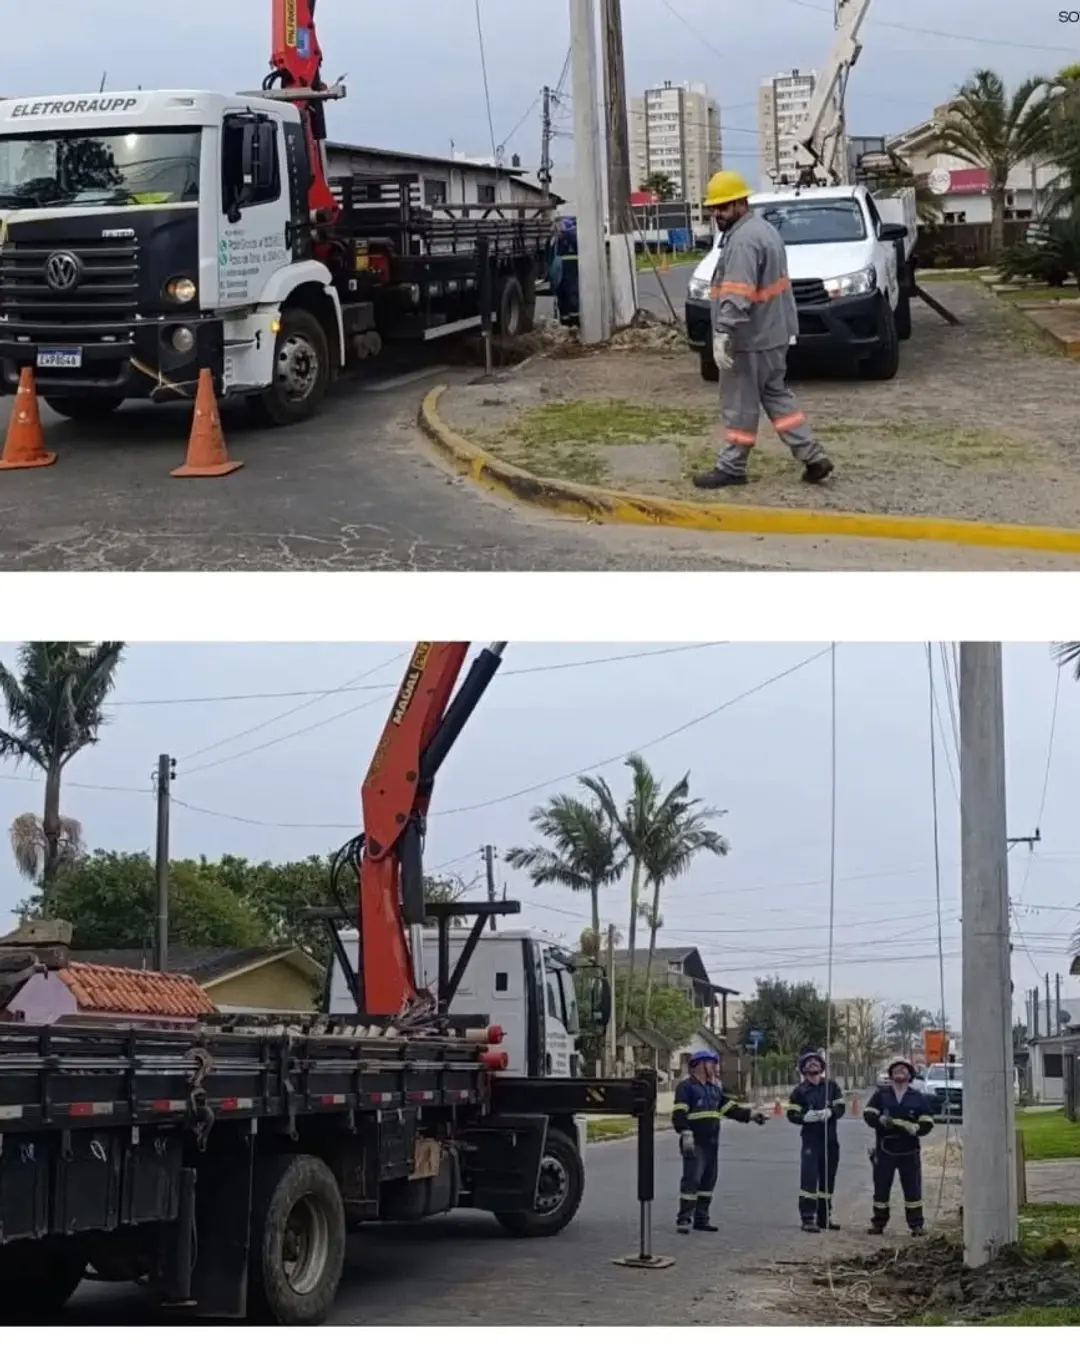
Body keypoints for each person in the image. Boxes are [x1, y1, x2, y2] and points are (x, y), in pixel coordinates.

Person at [691, 169, 834, 492]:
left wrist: (724, 332)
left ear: (741, 203)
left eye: (723, 207)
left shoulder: (743, 241)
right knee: (776, 396)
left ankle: (732, 466)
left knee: (739, 403)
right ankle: (813, 457)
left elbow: (738, 293)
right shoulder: (763, 230)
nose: (717, 214)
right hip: (773, 334)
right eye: (714, 208)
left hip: (749, 338)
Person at [672, 1048, 768, 1233]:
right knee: (692, 1180)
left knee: (708, 1181)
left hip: (711, 1143)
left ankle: (702, 1219)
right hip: (694, 1142)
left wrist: (752, 1115)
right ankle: (684, 1218)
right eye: (712, 1063)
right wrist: (685, 1133)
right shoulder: (686, 1087)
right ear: (700, 1064)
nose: (716, 1067)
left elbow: (730, 1109)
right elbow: (679, 1113)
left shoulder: (714, 1088)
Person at [864, 1058, 934, 1236]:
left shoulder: (917, 1097)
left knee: (912, 1189)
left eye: (904, 1069)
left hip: (909, 1150)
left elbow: (928, 1120)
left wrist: (918, 1128)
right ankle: (878, 1223)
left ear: (910, 1075)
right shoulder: (881, 1094)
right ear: (891, 1075)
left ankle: (916, 1225)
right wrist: (878, 1119)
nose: (900, 1071)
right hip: (884, 1149)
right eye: (896, 1069)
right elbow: (868, 1113)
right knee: (881, 1188)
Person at [785, 1048, 845, 1233]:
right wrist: (805, 1117)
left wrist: (831, 1112)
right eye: (809, 1062)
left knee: (828, 1180)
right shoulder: (799, 1092)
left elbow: (841, 1107)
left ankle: (824, 1217)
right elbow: (792, 1113)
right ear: (803, 1069)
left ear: (822, 1067)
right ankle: (807, 1218)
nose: (813, 1064)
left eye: (816, 1062)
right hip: (811, 1141)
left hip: (830, 1139)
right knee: (809, 1180)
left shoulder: (831, 1087)